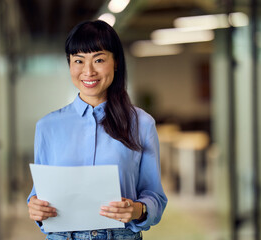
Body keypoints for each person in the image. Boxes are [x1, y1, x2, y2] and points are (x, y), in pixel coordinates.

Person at [27, 20, 167, 240]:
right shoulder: (47, 126)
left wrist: (138, 209)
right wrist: (35, 208)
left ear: (116, 62)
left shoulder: (142, 123)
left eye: (99, 60)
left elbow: (155, 197)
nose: (88, 71)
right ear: (69, 64)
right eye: (78, 61)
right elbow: (38, 195)